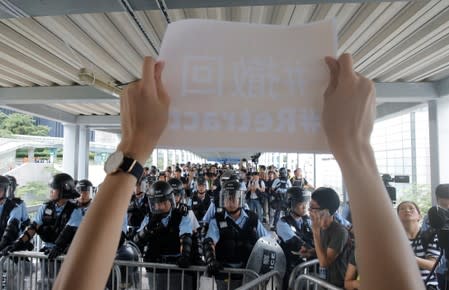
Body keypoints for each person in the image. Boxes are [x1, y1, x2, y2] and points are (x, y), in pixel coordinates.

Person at [53, 55, 425, 290]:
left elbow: (266, 244)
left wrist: (131, 151)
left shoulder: (245, 217)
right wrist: (356, 150)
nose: (230, 200)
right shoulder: (206, 214)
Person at [203, 179, 269, 289]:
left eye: (234, 197)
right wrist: (211, 259)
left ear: (241, 199)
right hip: (225, 273)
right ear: (222, 199)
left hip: (249, 272)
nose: (230, 201)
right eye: (227, 198)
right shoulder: (216, 221)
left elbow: (267, 240)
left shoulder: (252, 218)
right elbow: (209, 241)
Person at [307, 187, 350, 287]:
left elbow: (324, 263)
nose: (309, 210)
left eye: (313, 208)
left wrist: (315, 231)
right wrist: (311, 251)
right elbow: (325, 249)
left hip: (336, 285)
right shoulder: (321, 228)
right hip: (324, 282)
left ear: (326, 211)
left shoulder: (340, 232)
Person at [276, 186, 314, 290]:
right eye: (301, 203)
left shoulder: (308, 221)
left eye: (306, 203)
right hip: (289, 268)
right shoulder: (282, 223)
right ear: (290, 204)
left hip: (308, 268)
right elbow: (296, 243)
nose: (305, 207)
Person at [398, 201, 440, 289]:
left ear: (419, 217)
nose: (407, 210)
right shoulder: (394, 240)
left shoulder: (430, 236)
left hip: (427, 286)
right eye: (402, 209)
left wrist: (408, 258)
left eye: (411, 208)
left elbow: (433, 266)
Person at [0, 176, 22, 252]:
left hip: (8, 248)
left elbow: (11, 229)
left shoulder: (14, 207)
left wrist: (2, 245)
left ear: (5, 191)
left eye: (0, 189)